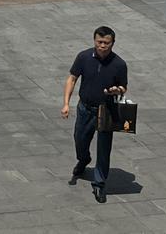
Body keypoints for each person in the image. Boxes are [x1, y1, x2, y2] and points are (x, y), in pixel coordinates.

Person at [62, 26, 128, 204]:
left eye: (106, 43)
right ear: (94, 41)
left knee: (104, 148)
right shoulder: (84, 57)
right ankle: (83, 159)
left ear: (113, 43)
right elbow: (72, 78)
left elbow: (123, 87)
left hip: (106, 110)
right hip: (85, 108)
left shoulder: (119, 64)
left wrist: (117, 90)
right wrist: (66, 103)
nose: (102, 46)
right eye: (99, 42)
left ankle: (99, 183)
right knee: (80, 139)